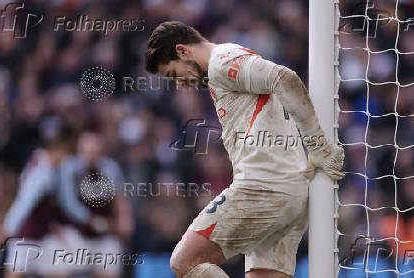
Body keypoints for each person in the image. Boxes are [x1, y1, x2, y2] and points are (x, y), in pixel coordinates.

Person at [145, 21, 345, 278]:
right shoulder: (225, 68)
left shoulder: (222, 61)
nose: (181, 85)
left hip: (263, 188)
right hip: (291, 193)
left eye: (174, 75)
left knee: (184, 261)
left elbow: (283, 77)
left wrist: (318, 146)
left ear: (183, 51)